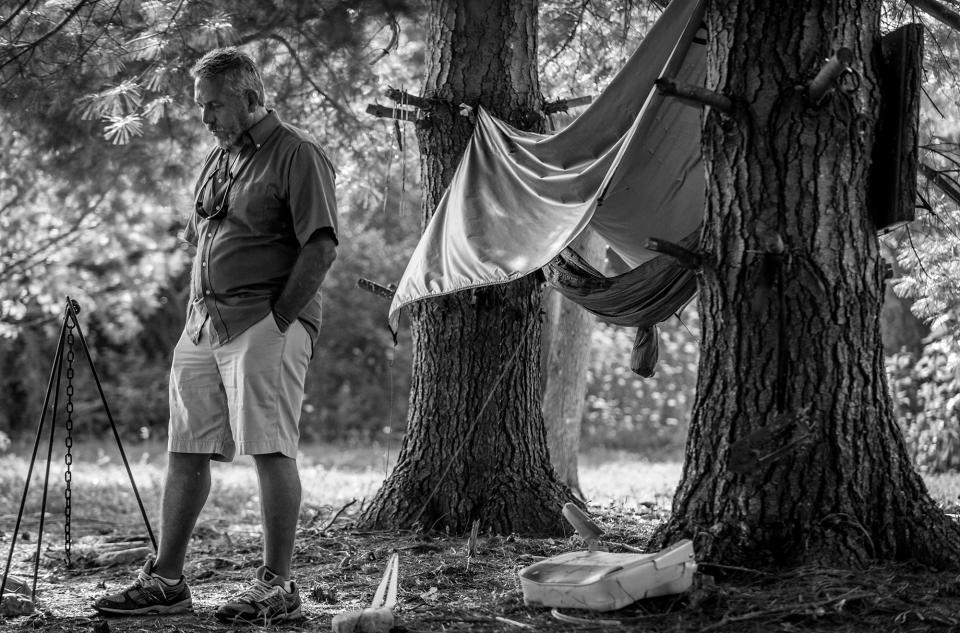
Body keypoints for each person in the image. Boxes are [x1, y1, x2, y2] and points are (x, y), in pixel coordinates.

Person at [94, 47, 338, 624]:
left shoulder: (297, 154)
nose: (205, 117)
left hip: (264, 323)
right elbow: (201, 238)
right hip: (202, 324)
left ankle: (278, 585)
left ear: (250, 99)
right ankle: (167, 580)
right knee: (186, 449)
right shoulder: (219, 159)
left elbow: (322, 245)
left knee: (270, 447)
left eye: (214, 105)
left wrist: (278, 319)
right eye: (200, 106)